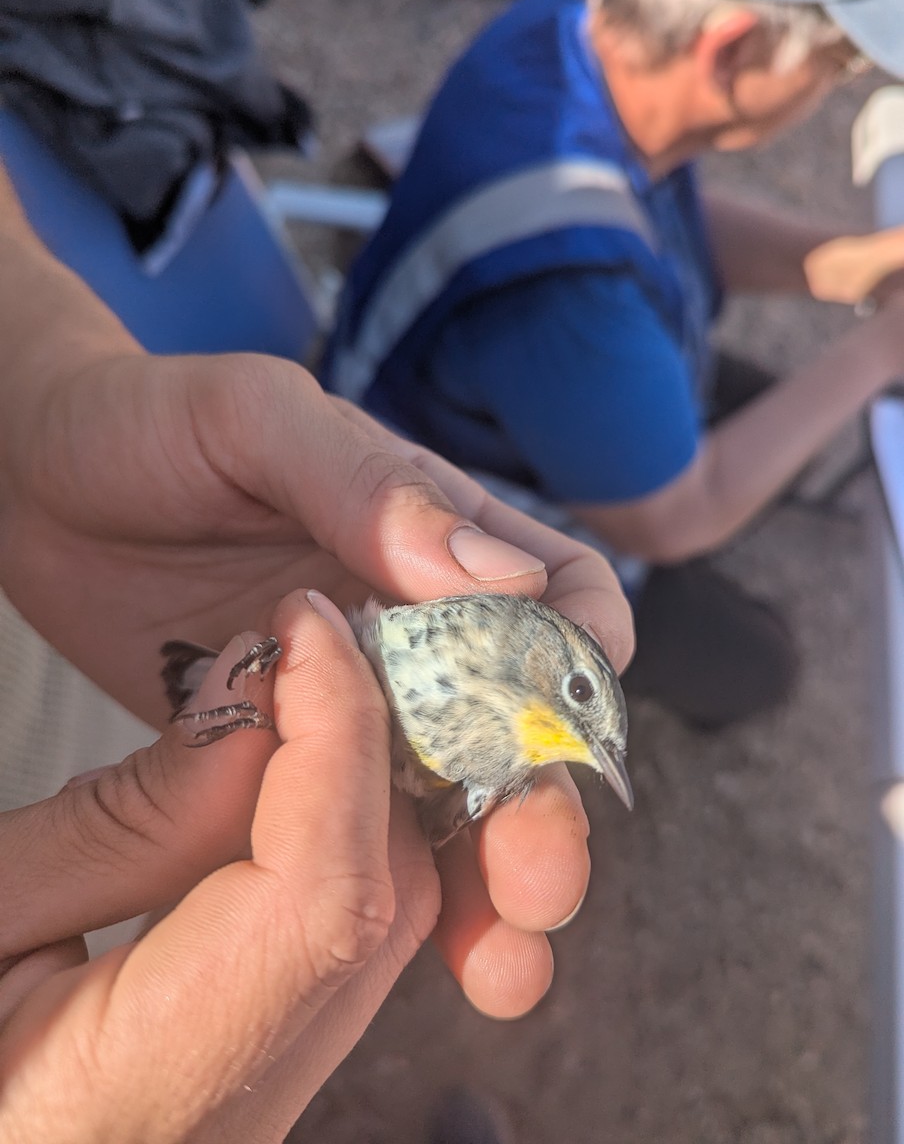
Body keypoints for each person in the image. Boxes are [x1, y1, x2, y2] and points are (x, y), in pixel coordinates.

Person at [0, 165, 633, 1141]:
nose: (583, 736)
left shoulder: (506, 743)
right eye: (583, 698)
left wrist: (35, 394)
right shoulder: (488, 636)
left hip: (88, 661)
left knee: (203, 908)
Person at [322, 0, 904, 729]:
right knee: (758, 667)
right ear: (730, 51)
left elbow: (652, 213)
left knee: (772, 420)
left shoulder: (567, 28)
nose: (839, 83)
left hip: (455, 384)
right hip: (447, 516)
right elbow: (677, 518)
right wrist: (882, 350)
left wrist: (840, 265)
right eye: (838, 63)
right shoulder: (572, 297)